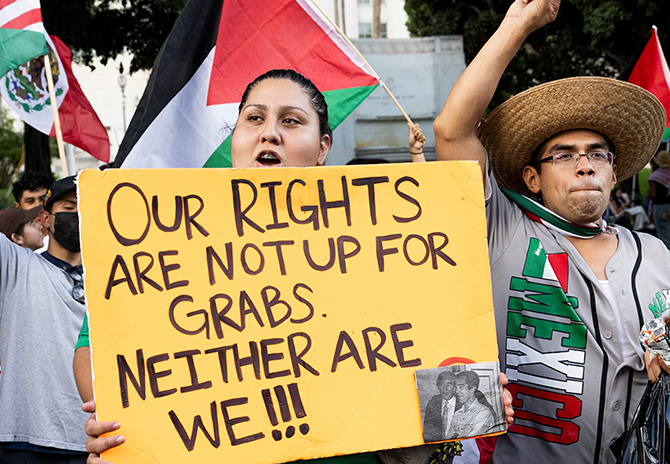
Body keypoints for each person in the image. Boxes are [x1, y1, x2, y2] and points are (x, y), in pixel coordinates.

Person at [81, 68, 514, 464]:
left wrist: (469, 406)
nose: (269, 133)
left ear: (323, 146)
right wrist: (126, 434)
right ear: (234, 137)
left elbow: (438, 419)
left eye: (290, 120)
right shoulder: (161, 245)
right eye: (254, 118)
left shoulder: (387, 241)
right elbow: (100, 356)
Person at [432, 1, 670, 462]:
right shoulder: (504, 230)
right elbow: (451, 130)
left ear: (614, 173)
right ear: (532, 178)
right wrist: (518, 24)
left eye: (598, 154)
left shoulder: (655, 254)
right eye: (564, 155)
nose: (584, 165)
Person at [0, 176, 89, 463]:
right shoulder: (14, 265)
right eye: (69, 207)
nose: (78, 215)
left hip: (93, 441)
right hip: (26, 442)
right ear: (45, 218)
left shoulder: (117, 277)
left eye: (86, 207)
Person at [648, 151, 670, 252]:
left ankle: (668, 255)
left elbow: (652, 195)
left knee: (664, 234)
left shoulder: (654, 177)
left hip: (661, 208)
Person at [450, 372, 494, 438]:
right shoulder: (457, 414)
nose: (456, 391)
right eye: (456, 387)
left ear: (472, 389)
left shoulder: (484, 413)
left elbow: (470, 439)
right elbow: (449, 437)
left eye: (461, 387)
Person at [423, 371, 460, 441]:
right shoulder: (432, 403)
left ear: (455, 387)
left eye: (448, 385)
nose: (445, 388)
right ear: (438, 387)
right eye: (442, 384)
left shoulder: (462, 403)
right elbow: (428, 430)